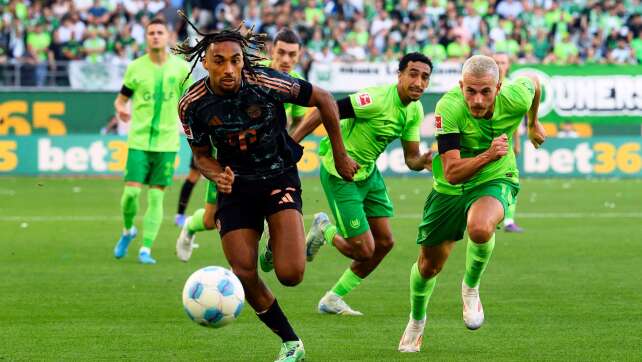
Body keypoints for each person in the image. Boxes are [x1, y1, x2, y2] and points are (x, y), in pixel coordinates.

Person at [174, 20, 358, 361]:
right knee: (244, 272)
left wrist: (341, 152)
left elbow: (324, 98)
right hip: (237, 185)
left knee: (291, 275)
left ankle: (280, 239)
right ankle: (291, 343)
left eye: (235, 60)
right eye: (219, 61)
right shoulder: (192, 104)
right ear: (205, 62)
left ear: (244, 60)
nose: (228, 69)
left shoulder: (267, 81)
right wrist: (217, 175)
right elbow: (200, 156)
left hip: (278, 177)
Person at [398, 55, 545, 352]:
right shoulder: (448, 108)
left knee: (480, 228)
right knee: (428, 267)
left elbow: (535, 83)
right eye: (471, 91)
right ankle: (416, 320)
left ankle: (471, 288)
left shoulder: (515, 96)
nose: (478, 100)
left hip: (495, 177)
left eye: (486, 92)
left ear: (499, 87)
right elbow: (452, 173)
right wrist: (488, 154)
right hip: (451, 185)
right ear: (461, 85)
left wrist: (533, 123)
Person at [284, 52, 434, 315]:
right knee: (364, 250)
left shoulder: (415, 109)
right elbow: (325, 107)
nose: (419, 83)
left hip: (368, 174)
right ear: (399, 75)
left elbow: (410, 158)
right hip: (340, 174)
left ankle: (332, 299)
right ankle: (324, 229)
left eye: (425, 77)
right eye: (413, 74)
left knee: (385, 243)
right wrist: (291, 143)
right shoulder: (375, 99)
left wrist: (423, 161)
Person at [175, 28, 308, 262]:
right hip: (228, 162)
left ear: (299, 56)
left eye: (292, 55)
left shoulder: (294, 82)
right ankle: (190, 227)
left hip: (268, 165)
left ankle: (272, 246)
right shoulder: (249, 71)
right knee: (209, 219)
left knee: (279, 213)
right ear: (270, 51)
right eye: (281, 53)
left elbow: (298, 122)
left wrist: (283, 146)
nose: (286, 60)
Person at [112, 18, 191, 265]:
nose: (155, 36)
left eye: (160, 32)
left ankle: (146, 249)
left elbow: (190, 100)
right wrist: (121, 110)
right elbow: (121, 100)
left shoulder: (180, 69)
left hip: (167, 143)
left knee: (156, 198)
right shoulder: (136, 67)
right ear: (146, 38)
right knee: (131, 195)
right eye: (151, 33)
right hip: (139, 141)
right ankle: (128, 231)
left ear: (168, 37)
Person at [492, 52, 524, 233]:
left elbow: (516, 121)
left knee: (511, 181)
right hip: (483, 144)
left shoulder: (512, 87)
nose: (499, 65)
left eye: (503, 62)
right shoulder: (484, 86)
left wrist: (517, 143)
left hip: (506, 144)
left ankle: (508, 221)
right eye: (496, 62)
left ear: (508, 66)